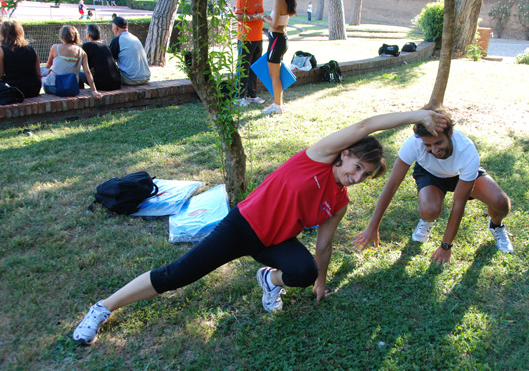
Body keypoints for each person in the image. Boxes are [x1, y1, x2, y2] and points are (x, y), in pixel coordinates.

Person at [72, 109, 447, 346]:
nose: (354, 176)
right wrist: (416, 113)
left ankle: (269, 281)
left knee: (303, 270)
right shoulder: (315, 158)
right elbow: (366, 125)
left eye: (363, 176)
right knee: (178, 274)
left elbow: (324, 245)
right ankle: (103, 308)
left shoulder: (340, 201)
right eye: (355, 166)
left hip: (275, 241)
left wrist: (319, 280)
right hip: (242, 226)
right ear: (345, 153)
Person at [354, 110, 514, 264]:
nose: (435, 150)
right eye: (428, 145)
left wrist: (446, 245)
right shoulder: (414, 144)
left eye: (439, 142)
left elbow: (459, 203)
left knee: (501, 203)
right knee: (429, 210)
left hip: (459, 174)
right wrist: (373, 226)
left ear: (450, 134)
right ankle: (427, 221)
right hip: (430, 173)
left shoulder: (467, 150)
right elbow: (392, 185)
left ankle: (496, 226)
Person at [42, 25, 102, 100]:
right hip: (71, 88)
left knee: (41, 70)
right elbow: (87, 72)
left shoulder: (55, 47)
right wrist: (94, 91)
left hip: (54, 87)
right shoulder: (81, 52)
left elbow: (48, 65)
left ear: (62, 36)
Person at [260, 0, 296, 115]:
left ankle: (277, 106)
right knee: (276, 75)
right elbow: (278, 21)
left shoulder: (279, 0)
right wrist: (266, 17)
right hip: (280, 39)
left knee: (274, 75)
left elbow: (274, 24)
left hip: (276, 40)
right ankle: (278, 103)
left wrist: (261, 17)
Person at [233, 0, 265, 107]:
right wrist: (256, 17)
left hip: (258, 37)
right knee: (243, 67)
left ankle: (252, 95)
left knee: (254, 68)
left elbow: (259, 13)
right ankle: (238, 97)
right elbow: (239, 17)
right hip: (245, 38)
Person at [0, 20, 41, 98]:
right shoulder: (31, 49)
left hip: (13, 90)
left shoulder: (2, 51)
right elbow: (38, 74)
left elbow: (0, 75)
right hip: (33, 89)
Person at [109, 16, 151, 86]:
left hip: (131, 79)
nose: (112, 29)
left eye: (112, 26)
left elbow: (110, 60)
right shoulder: (134, 37)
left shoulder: (117, 40)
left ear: (116, 28)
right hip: (146, 77)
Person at [79, 24, 121, 91]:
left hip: (104, 84)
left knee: (79, 73)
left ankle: (80, 94)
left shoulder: (87, 46)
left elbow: (87, 68)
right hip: (117, 83)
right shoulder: (104, 45)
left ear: (88, 35)